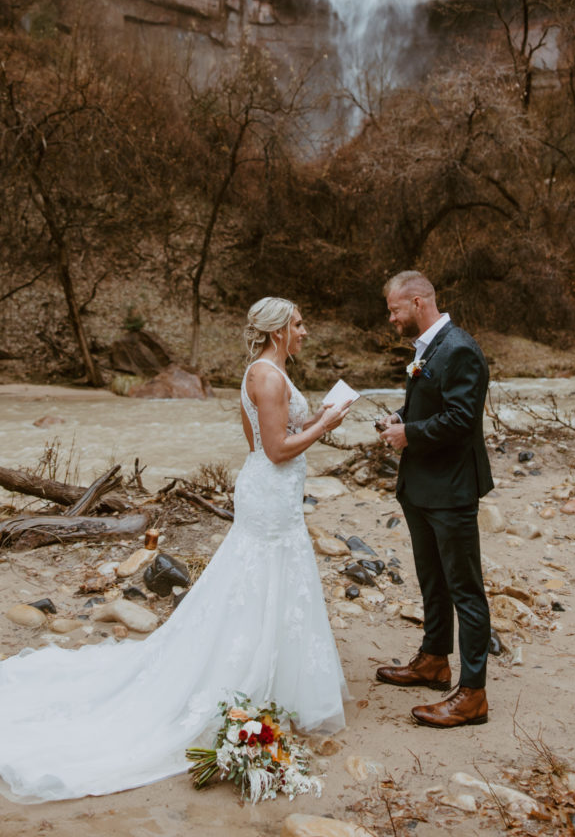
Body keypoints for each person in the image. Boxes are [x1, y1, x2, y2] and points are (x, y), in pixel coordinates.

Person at [0, 297, 350, 803]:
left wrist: (311, 419)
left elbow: (261, 440)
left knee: (266, 580)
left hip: (270, 491)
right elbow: (273, 450)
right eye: (298, 324)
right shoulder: (269, 377)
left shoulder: (263, 372)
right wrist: (325, 425)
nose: (305, 331)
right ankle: (243, 679)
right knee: (263, 577)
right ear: (277, 331)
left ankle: (269, 676)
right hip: (271, 493)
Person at [376, 271, 493, 728]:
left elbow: (463, 420)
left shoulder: (460, 348)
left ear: (420, 302)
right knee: (432, 580)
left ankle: (474, 693)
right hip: (422, 487)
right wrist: (402, 416)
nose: (391, 318)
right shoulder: (430, 348)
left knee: (465, 589)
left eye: (394, 309)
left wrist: (409, 433)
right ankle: (433, 660)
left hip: (451, 489)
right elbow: (435, 404)